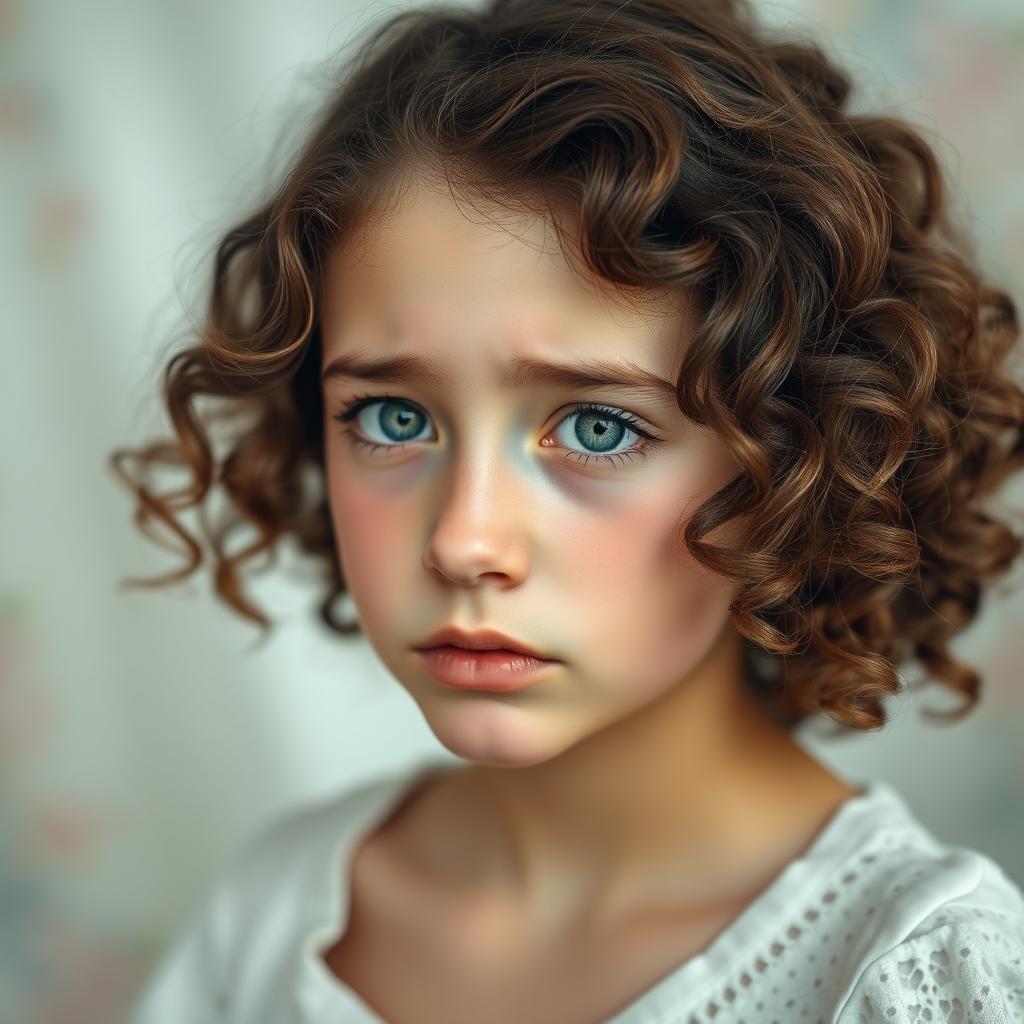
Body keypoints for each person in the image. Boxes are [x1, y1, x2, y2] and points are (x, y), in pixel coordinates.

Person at [112, 0, 1024, 1021]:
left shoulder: (911, 970)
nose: (464, 541)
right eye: (393, 414)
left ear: (799, 451)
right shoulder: (274, 914)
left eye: (595, 429)